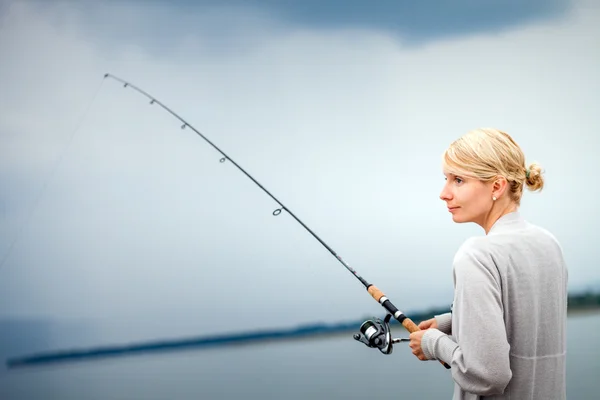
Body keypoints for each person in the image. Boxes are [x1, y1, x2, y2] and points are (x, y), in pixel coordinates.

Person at [408, 128, 568, 399]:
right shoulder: (549, 243)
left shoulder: (476, 255)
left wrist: (434, 343)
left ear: (497, 186)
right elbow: (524, 319)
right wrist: (453, 322)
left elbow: (486, 376)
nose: (444, 193)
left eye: (458, 180)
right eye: (446, 179)